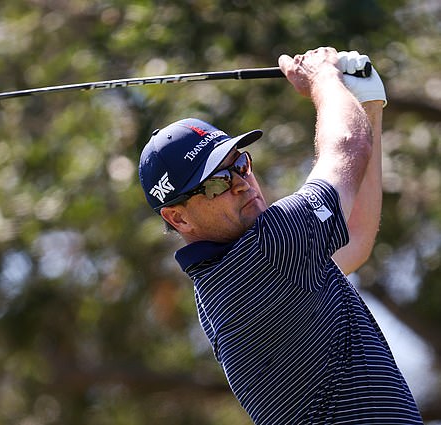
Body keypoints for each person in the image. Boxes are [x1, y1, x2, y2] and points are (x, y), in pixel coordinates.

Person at [138, 47, 424, 424]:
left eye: (239, 163)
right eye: (218, 182)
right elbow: (350, 146)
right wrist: (323, 79)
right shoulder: (269, 250)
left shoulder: (233, 277)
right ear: (179, 218)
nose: (241, 184)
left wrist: (366, 103)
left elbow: (353, 239)